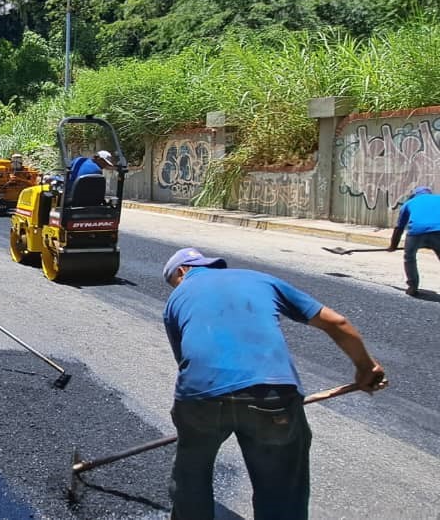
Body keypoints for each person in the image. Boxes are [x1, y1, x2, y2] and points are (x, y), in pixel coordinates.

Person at [161, 247, 385, 520]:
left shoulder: (176, 300)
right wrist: (366, 368)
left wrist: (189, 420)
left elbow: (186, 363)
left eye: (174, 281)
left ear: (183, 271)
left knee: (190, 474)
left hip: (201, 397)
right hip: (272, 397)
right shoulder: (261, 279)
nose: (176, 287)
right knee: (281, 486)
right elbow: (336, 322)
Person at [388, 185, 440, 296]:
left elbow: (399, 228)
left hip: (416, 233)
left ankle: (413, 287)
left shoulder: (408, 203)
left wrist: (393, 246)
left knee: (409, 257)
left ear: (415, 194)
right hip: (438, 231)